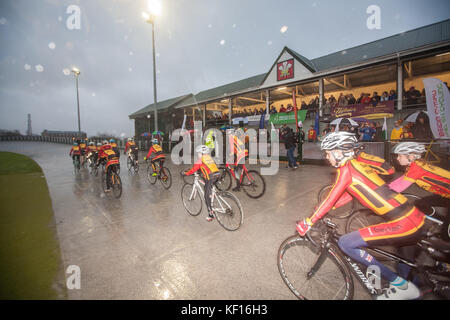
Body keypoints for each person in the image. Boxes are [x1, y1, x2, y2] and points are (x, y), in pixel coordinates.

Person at [296, 132, 426, 300]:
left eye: (328, 153)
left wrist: (309, 221)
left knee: (345, 242)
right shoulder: (357, 165)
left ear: (339, 151)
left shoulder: (346, 170)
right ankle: (417, 287)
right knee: (404, 261)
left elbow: (331, 197)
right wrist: (323, 209)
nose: (326, 157)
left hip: (403, 222)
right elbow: (352, 193)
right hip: (413, 215)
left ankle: (400, 286)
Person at [182, 145, 221, 222]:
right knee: (208, 186)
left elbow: (193, 170)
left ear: (202, 153)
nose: (198, 154)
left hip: (210, 177)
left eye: (199, 153)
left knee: (206, 196)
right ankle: (212, 196)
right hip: (217, 174)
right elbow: (207, 167)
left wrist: (185, 173)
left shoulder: (200, 160)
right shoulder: (209, 158)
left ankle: (211, 214)